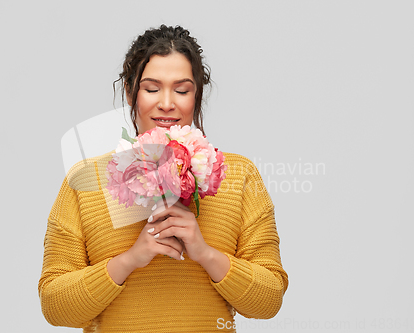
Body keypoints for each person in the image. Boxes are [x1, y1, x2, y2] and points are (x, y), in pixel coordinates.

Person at [38, 24, 288, 332]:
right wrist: (130, 260)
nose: (167, 103)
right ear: (131, 92)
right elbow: (55, 307)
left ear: (197, 96)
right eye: (152, 88)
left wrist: (206, 254)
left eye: (182, 90)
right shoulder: (85, 180)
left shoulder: (238, 176)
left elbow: (269, 301)